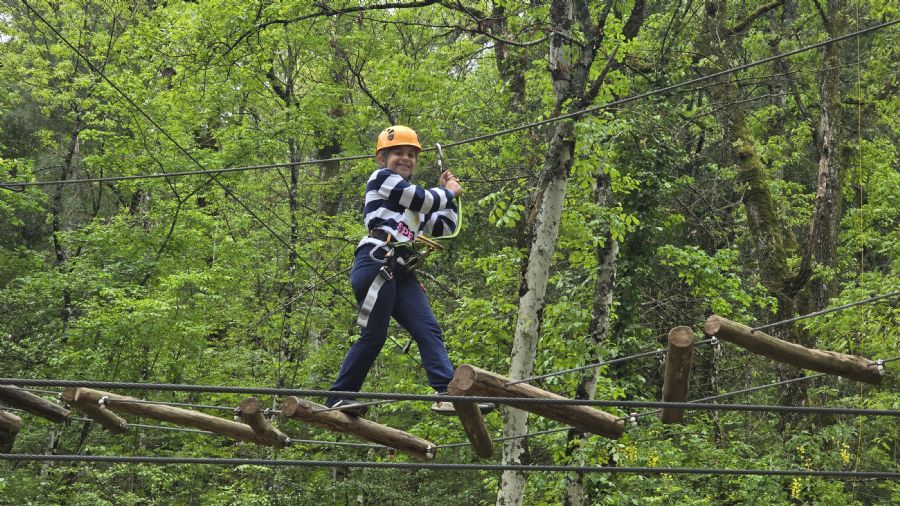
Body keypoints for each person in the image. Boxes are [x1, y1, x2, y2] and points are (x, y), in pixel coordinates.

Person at [324, 125, 465, 416]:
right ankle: (339, 397)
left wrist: (452, 197)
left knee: (428, 328)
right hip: (376, 261)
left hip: (399, 269)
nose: (406, 159)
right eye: (398, 153)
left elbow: (445, 226)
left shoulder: (411, 207)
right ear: (382, 159)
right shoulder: (382, 179)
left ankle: (445, 392)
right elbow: (426, 199)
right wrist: (446, 192)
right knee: (374, 335)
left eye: (411, 154)